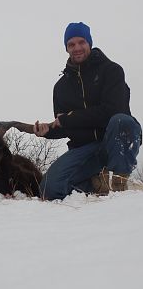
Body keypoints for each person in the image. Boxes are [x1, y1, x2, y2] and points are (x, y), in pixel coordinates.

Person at [34, 22, 142, 200]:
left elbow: (112, 111)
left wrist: (69, 119)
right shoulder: (60, 87)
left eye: (81, 42)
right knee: (49, 190)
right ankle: (97, 183)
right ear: (66, 48)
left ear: (89, 43)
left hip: (114, 142)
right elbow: (66, 125)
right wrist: (49, 131)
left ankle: (119, 185)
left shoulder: (112, 71)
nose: (77, 48)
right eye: (71, 44)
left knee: (122, 121)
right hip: (84, 149)